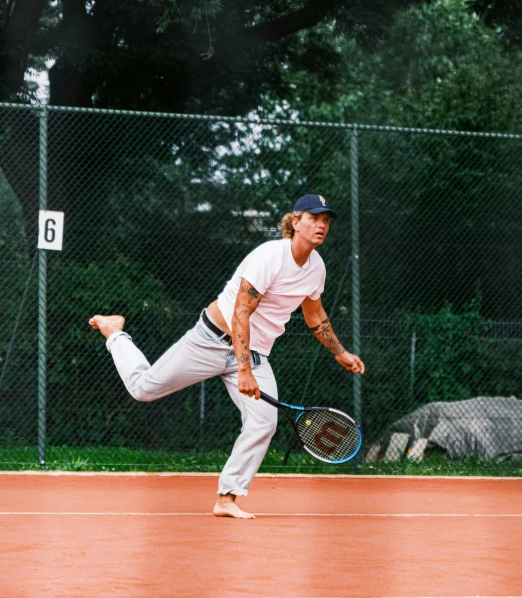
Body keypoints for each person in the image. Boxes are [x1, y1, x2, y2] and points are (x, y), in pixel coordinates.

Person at [89, 194, 364, 519]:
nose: (321, 225)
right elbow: (240, 314)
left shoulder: (316, 268)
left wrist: (341, 352)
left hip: (254, 353)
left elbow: (314, 314)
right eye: (314, 218)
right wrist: (243, 370)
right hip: (211, 340)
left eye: (326, 220)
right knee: (143, 389)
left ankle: (227, 497)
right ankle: (115, 333)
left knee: (264, 423)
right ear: (295, 222)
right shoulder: (269, 258)